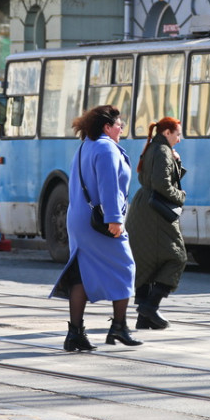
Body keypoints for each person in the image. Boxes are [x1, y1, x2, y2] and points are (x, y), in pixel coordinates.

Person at [50, 105, 141, 351]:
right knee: (126, 267)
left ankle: (75, 333)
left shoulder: (85, 147)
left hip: (79, 218)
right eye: (119, 125)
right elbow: (108, 186)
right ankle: (119, 327)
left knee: (81, 273)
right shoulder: (105, 148)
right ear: (106, 127)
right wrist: (114, 219)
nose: (121, 129)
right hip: (100, 221)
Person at [125, 116, 186, 330]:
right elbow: (162, 184)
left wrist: (176, 161)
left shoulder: (153, 148)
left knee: (147, 261)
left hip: (142, 209)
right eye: (177, 134)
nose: (180, 139)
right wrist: (181, 196)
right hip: (156, 211)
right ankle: (150, 306)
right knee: (177, 257)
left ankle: (144, 318)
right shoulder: (162, 152)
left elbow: (151, 178)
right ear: (167, 133)